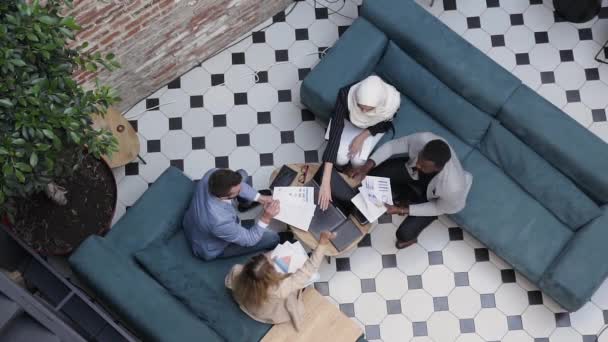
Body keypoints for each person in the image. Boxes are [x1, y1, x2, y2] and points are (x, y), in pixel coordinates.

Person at [350, 132, 472, 249]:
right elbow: (392, 146)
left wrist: (401, 210)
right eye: (419, 158)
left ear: (437, 168)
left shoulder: (453, 188)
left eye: (423, 166)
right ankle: (404, 195)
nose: (418, 165)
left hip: (434, 199)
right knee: (374, 174)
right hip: (414, 176)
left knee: (404, 234)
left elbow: (438, 208)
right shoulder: (424, 139)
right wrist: (367, 166)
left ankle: (410, 233)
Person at [318, 75, 401, 211]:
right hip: (349, 123)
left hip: (370, 129)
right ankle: (341, 169)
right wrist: (325, 181)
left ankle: (350, 170)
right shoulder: (345, 94)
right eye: (360, 107)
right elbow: (335, 132)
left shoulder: (391, 102)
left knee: (358, 162)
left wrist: (362, 136)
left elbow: (385, 125)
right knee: (340, 157)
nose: (363, 111)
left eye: (368, 109)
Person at [225, 231, 336, 331]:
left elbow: (230, 281)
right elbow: (309, 269)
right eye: (271, 265)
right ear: (270, 277)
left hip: (248, 305)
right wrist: (322, 244)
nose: (272, 261)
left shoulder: (237, 270)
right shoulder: (280, 290)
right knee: (303, 279)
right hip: (268, 314)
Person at [182, 168, 281, 260]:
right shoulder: (219, 221)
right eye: (238, 192)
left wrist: (260, 198)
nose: (241, 189)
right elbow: (250, 239)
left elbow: (240, 186)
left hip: (192, 221)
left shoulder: (212, 174)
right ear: (223, 197)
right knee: (273, 237)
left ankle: (245, 204)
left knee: (242, 173)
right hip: (210, 247)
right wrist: (266, 218)